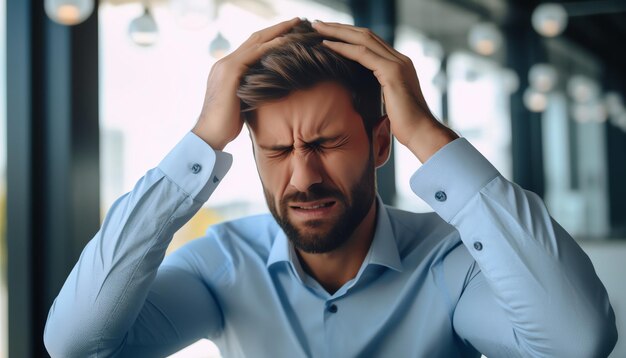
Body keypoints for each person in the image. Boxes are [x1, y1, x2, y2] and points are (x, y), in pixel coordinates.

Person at [44, 18, 617, 357]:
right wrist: (200, 142)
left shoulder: (451, 264)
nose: (303, 177)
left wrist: (427, 133)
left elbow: (575, 343)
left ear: (382, 143)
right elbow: (74, 344)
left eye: (327, 144)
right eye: (276, 151)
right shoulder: (221, 264)